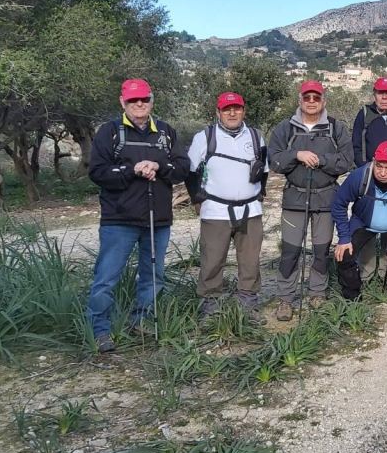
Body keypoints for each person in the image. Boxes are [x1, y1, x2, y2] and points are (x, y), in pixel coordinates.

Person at [86, 79, 191, 353]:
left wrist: (159, 165)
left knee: (153, 275)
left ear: (152, 101)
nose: (139, 104)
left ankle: (142, 320)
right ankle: (100, 331)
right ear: (123, 103)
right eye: (133, 101)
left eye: (144, 99)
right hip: (118, 220)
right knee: (107, 277)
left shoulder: (165, 132)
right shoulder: (109, 133)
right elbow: (97, 172)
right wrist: (131, 170)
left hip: (158, 219)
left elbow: (182, 168)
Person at [268, 81, 353, 321]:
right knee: (290, 251)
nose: (312, 102)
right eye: (308, 98)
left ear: (323, 100)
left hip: (326, 198)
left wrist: (321, 159)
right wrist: (296, 154)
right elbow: (273, 160)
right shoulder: (286, 128)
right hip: (294, 198)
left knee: (320, 249)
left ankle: (318, 293)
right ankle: (285, 299)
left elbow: (347, 161)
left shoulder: (336, 128)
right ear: (300, 100)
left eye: (316, 97)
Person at [186, 92, 268, 319]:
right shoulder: (204, 137)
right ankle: (210, 304)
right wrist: (196, 200)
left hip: (250, 210)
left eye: (237, 108)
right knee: (212, 258)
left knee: (250, 258)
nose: (232, 113)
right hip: (216, 209)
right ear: (218, 112)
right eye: (226, 109)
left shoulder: (255, 137)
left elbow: (264, 170)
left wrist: (260, 194)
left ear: (244, 111)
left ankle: (248, 301)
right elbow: (191, 172)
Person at [331, 141, 387, 310]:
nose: (383, 172)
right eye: (379, 166)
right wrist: (344, 237)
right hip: (363, 223)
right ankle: (352, 297)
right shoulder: (359, 176)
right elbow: (339, 204)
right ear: (373, 161)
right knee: (344, 254)